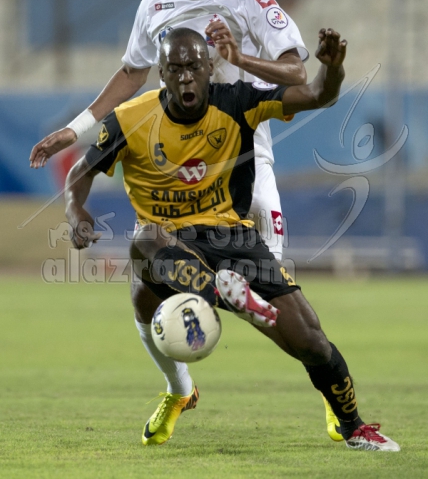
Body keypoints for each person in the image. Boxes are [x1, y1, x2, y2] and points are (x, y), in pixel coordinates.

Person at [32, 0, 332, 439]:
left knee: (274, 292)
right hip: (174, 162)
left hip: (242, 157)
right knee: (147, 289)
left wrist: (239, 58)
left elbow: (295, 72)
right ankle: (180, 389)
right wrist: (75, 131)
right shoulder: (155, 4)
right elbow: (131, 75)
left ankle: (332, 394)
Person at [64, 26, 399, 452]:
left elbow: (318, 95)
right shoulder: (130, 119)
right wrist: (75, 210)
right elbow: (80, 172)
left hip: (234, 238)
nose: (186, 77)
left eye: (194, 66)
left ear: (210, 68)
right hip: (169, 245)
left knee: (311, 341)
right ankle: (216, 308)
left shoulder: (238, 101)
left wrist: (333, 70)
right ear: (161, 74)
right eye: (175, 69)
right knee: (144, 242)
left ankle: (355, 427)